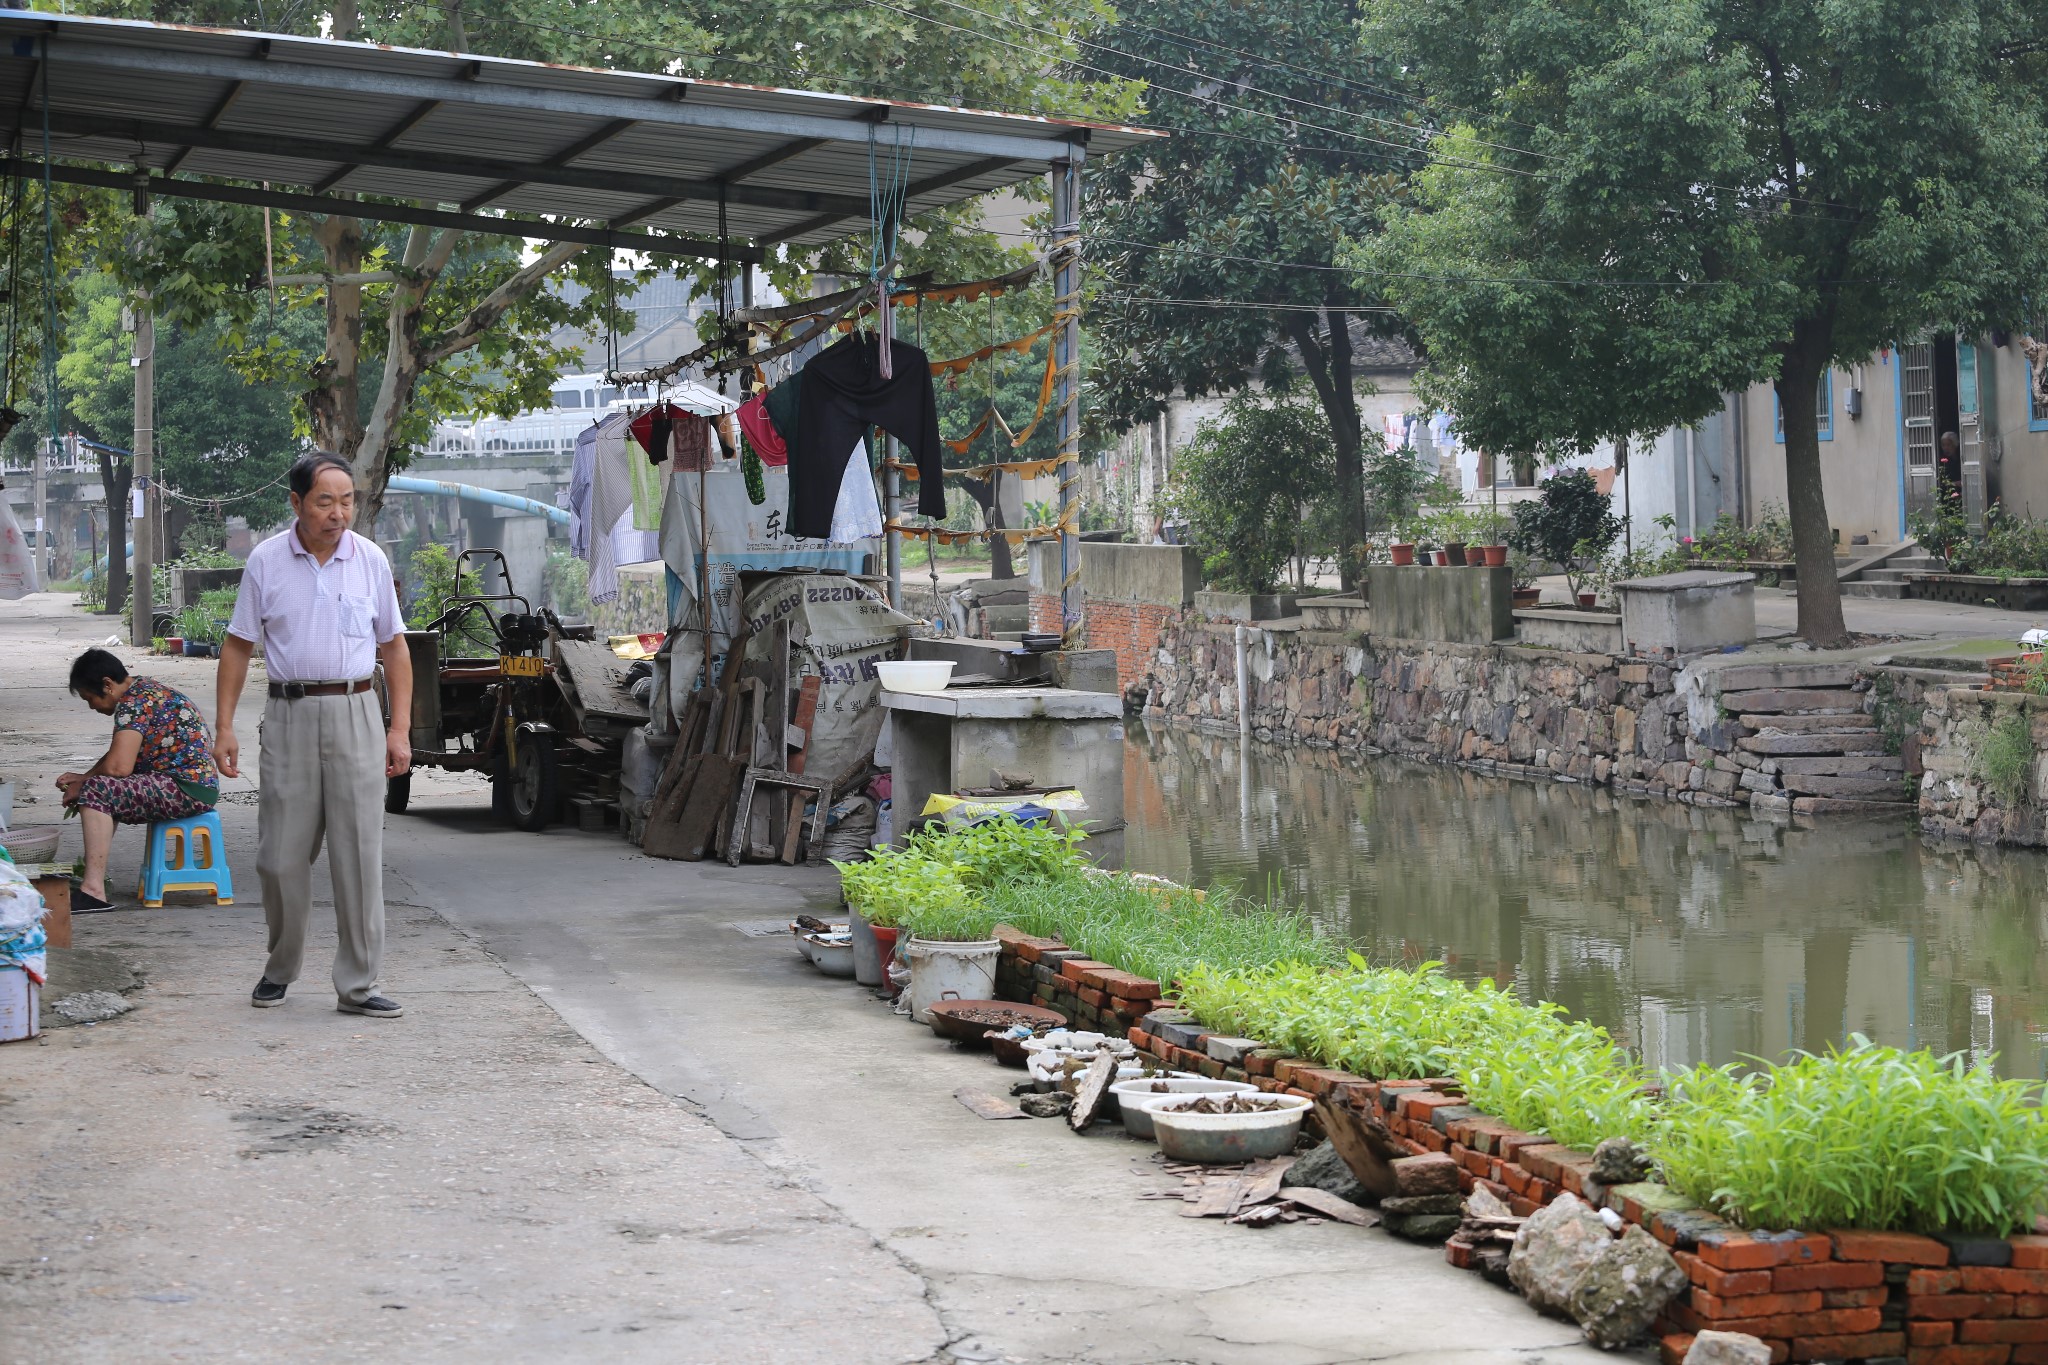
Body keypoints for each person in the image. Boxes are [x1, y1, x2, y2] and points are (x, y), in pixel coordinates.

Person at [214, 450, 412, 1018]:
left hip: (356, 713)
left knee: (358, 855)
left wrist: (397, 729)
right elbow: (237, 645)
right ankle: (280, 968)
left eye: (346, 501)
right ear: (297, 503)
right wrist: (224, 728)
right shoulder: (267, 562)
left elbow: (394, 646)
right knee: (279, 857)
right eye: (325, 502)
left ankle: (358, 984)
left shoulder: (369, 560)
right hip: (289, 715)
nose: (338, 513)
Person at [56, 649, 218, 912]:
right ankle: (91, 881)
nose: (92, 706)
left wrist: (85, 784)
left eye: (90, 698)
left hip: (184, 788)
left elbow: (119, 767)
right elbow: (118, 755)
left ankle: (93, 890)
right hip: (192, 785)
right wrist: (84, 776)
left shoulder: (133, 703)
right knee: (99, 787)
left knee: (97, 791)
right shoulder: (144, 691)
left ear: (107, 685)